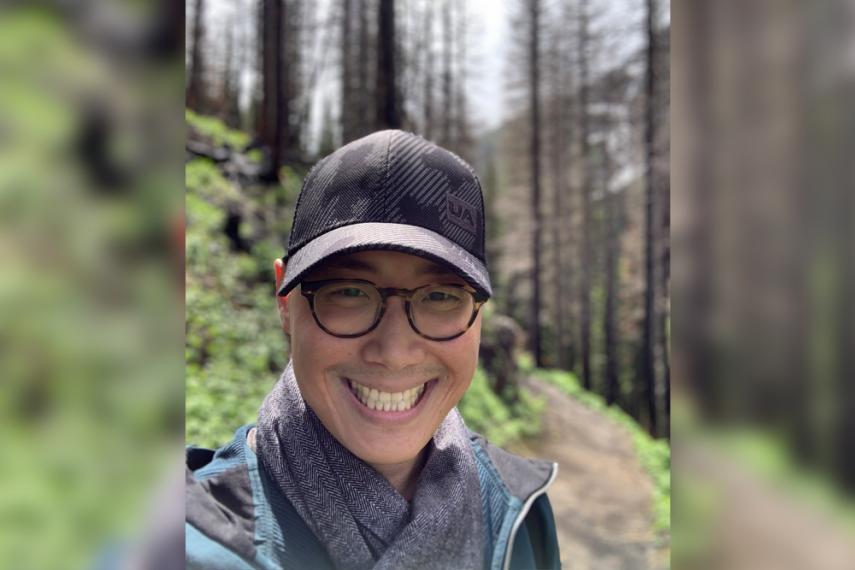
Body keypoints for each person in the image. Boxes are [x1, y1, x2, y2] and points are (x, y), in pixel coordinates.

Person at [186, 130, 560, 569]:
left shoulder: (520, 514)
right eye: (348, 292)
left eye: (440, 296)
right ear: (285, 302)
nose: (395, 352)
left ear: (478, 313)